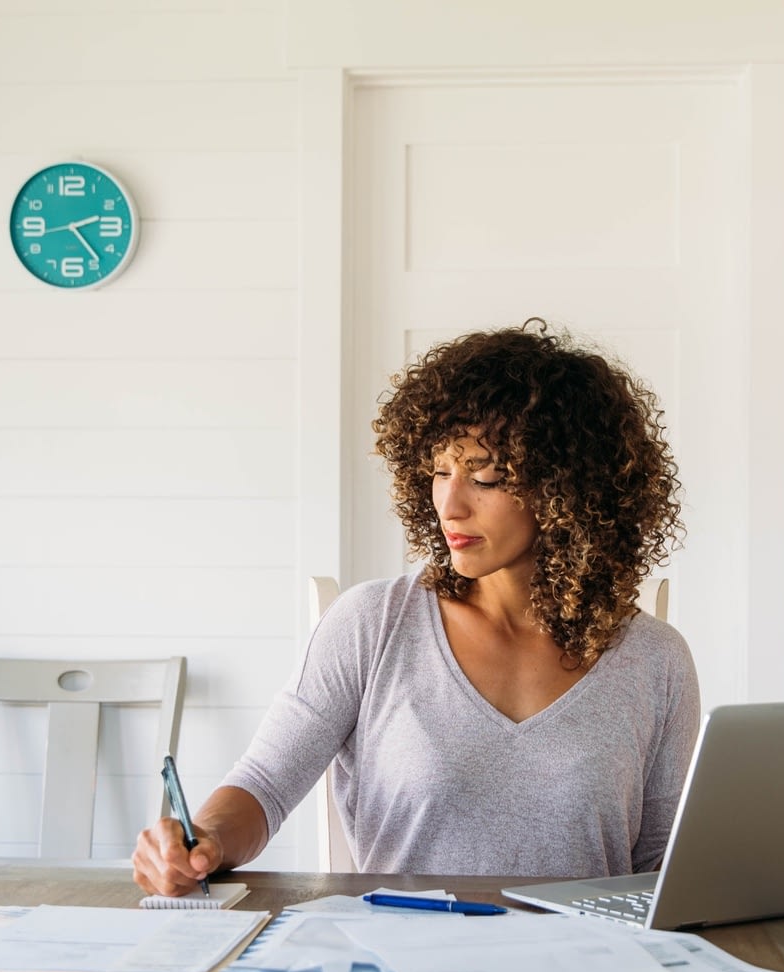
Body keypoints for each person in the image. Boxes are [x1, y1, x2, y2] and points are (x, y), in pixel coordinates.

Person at [132, 320, 700, 896]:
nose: (449, 505)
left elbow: (663, 869)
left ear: (569, 489)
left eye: (486, 476)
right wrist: (202, 840)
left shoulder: (655, 659)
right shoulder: (373, 623)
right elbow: (264, 785)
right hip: (402, 965)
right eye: (439, 472)